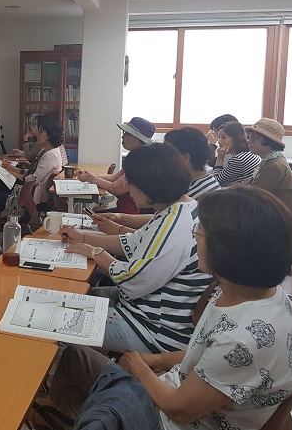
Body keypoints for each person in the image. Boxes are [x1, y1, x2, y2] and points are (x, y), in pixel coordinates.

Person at [45, 186, 292, 430]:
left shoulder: (243, 339)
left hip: (168, 420)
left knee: (76, 364)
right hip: (178, 386)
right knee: (75, 359)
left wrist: (139, 369)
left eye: (201, 232)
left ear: (229, 251)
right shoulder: (263, 296)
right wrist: (159, 360)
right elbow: (207, 353)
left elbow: (178, 410)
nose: (195, 239)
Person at [61, 143, 212, 354]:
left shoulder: (175, 224)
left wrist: (96, 253)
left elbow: (134, 281)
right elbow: (132, 242)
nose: (127, 187)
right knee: (78, 295)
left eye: (130, 182)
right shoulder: (181, 209)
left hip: (154, 329)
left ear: (149, 186)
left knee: (59, 324)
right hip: (142, 309)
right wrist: (84, 237)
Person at [92, 127, 221, 236]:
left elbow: (162, 232)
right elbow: (161, 218)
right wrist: (121, 218)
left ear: (184, 158)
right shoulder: (202, 181)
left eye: (166, 156)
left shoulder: (194, 196)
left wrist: (119, 229)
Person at [0, 113, 63, 215]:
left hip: (29, 197)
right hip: (28, 191)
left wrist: (11, 173)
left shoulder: (51, 156)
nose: (37, 134)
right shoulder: (47, 151)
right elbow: (32, 172)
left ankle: (1, 219)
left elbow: (33, 180)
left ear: (51, 134)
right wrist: (10, 169)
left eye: (41, 131)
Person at [76, 117, 155, 214]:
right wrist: (90, 176)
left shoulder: (141, 162)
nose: (122, 137)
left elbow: (115, 188)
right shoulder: (135, 156)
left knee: (91, 218)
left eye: (127, 133)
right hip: (124, 210)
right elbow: (115, 177)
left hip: (131, 215)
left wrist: (92, 179)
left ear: (139, 139)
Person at [244, 118, 292, 214]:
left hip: (280, 219)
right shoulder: (271, 160)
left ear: (269, 141)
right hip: (273, 214)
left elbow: (252, 195)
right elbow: (247, 185)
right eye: (249, 136)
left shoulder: (274, 166)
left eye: (255, 136)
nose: (249, 140)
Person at [165, 127, 220, 199]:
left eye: (167, 155)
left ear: (184, 158)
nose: (163, 160)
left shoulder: (190, 198)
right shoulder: (204, 179)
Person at [211, 121, 260, 186]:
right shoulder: (249, 153)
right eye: (219, 137)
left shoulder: (238, 159)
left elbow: (215, 181)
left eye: (223, 137)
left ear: (236, 138)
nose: (219, 141)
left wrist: (220, 158)